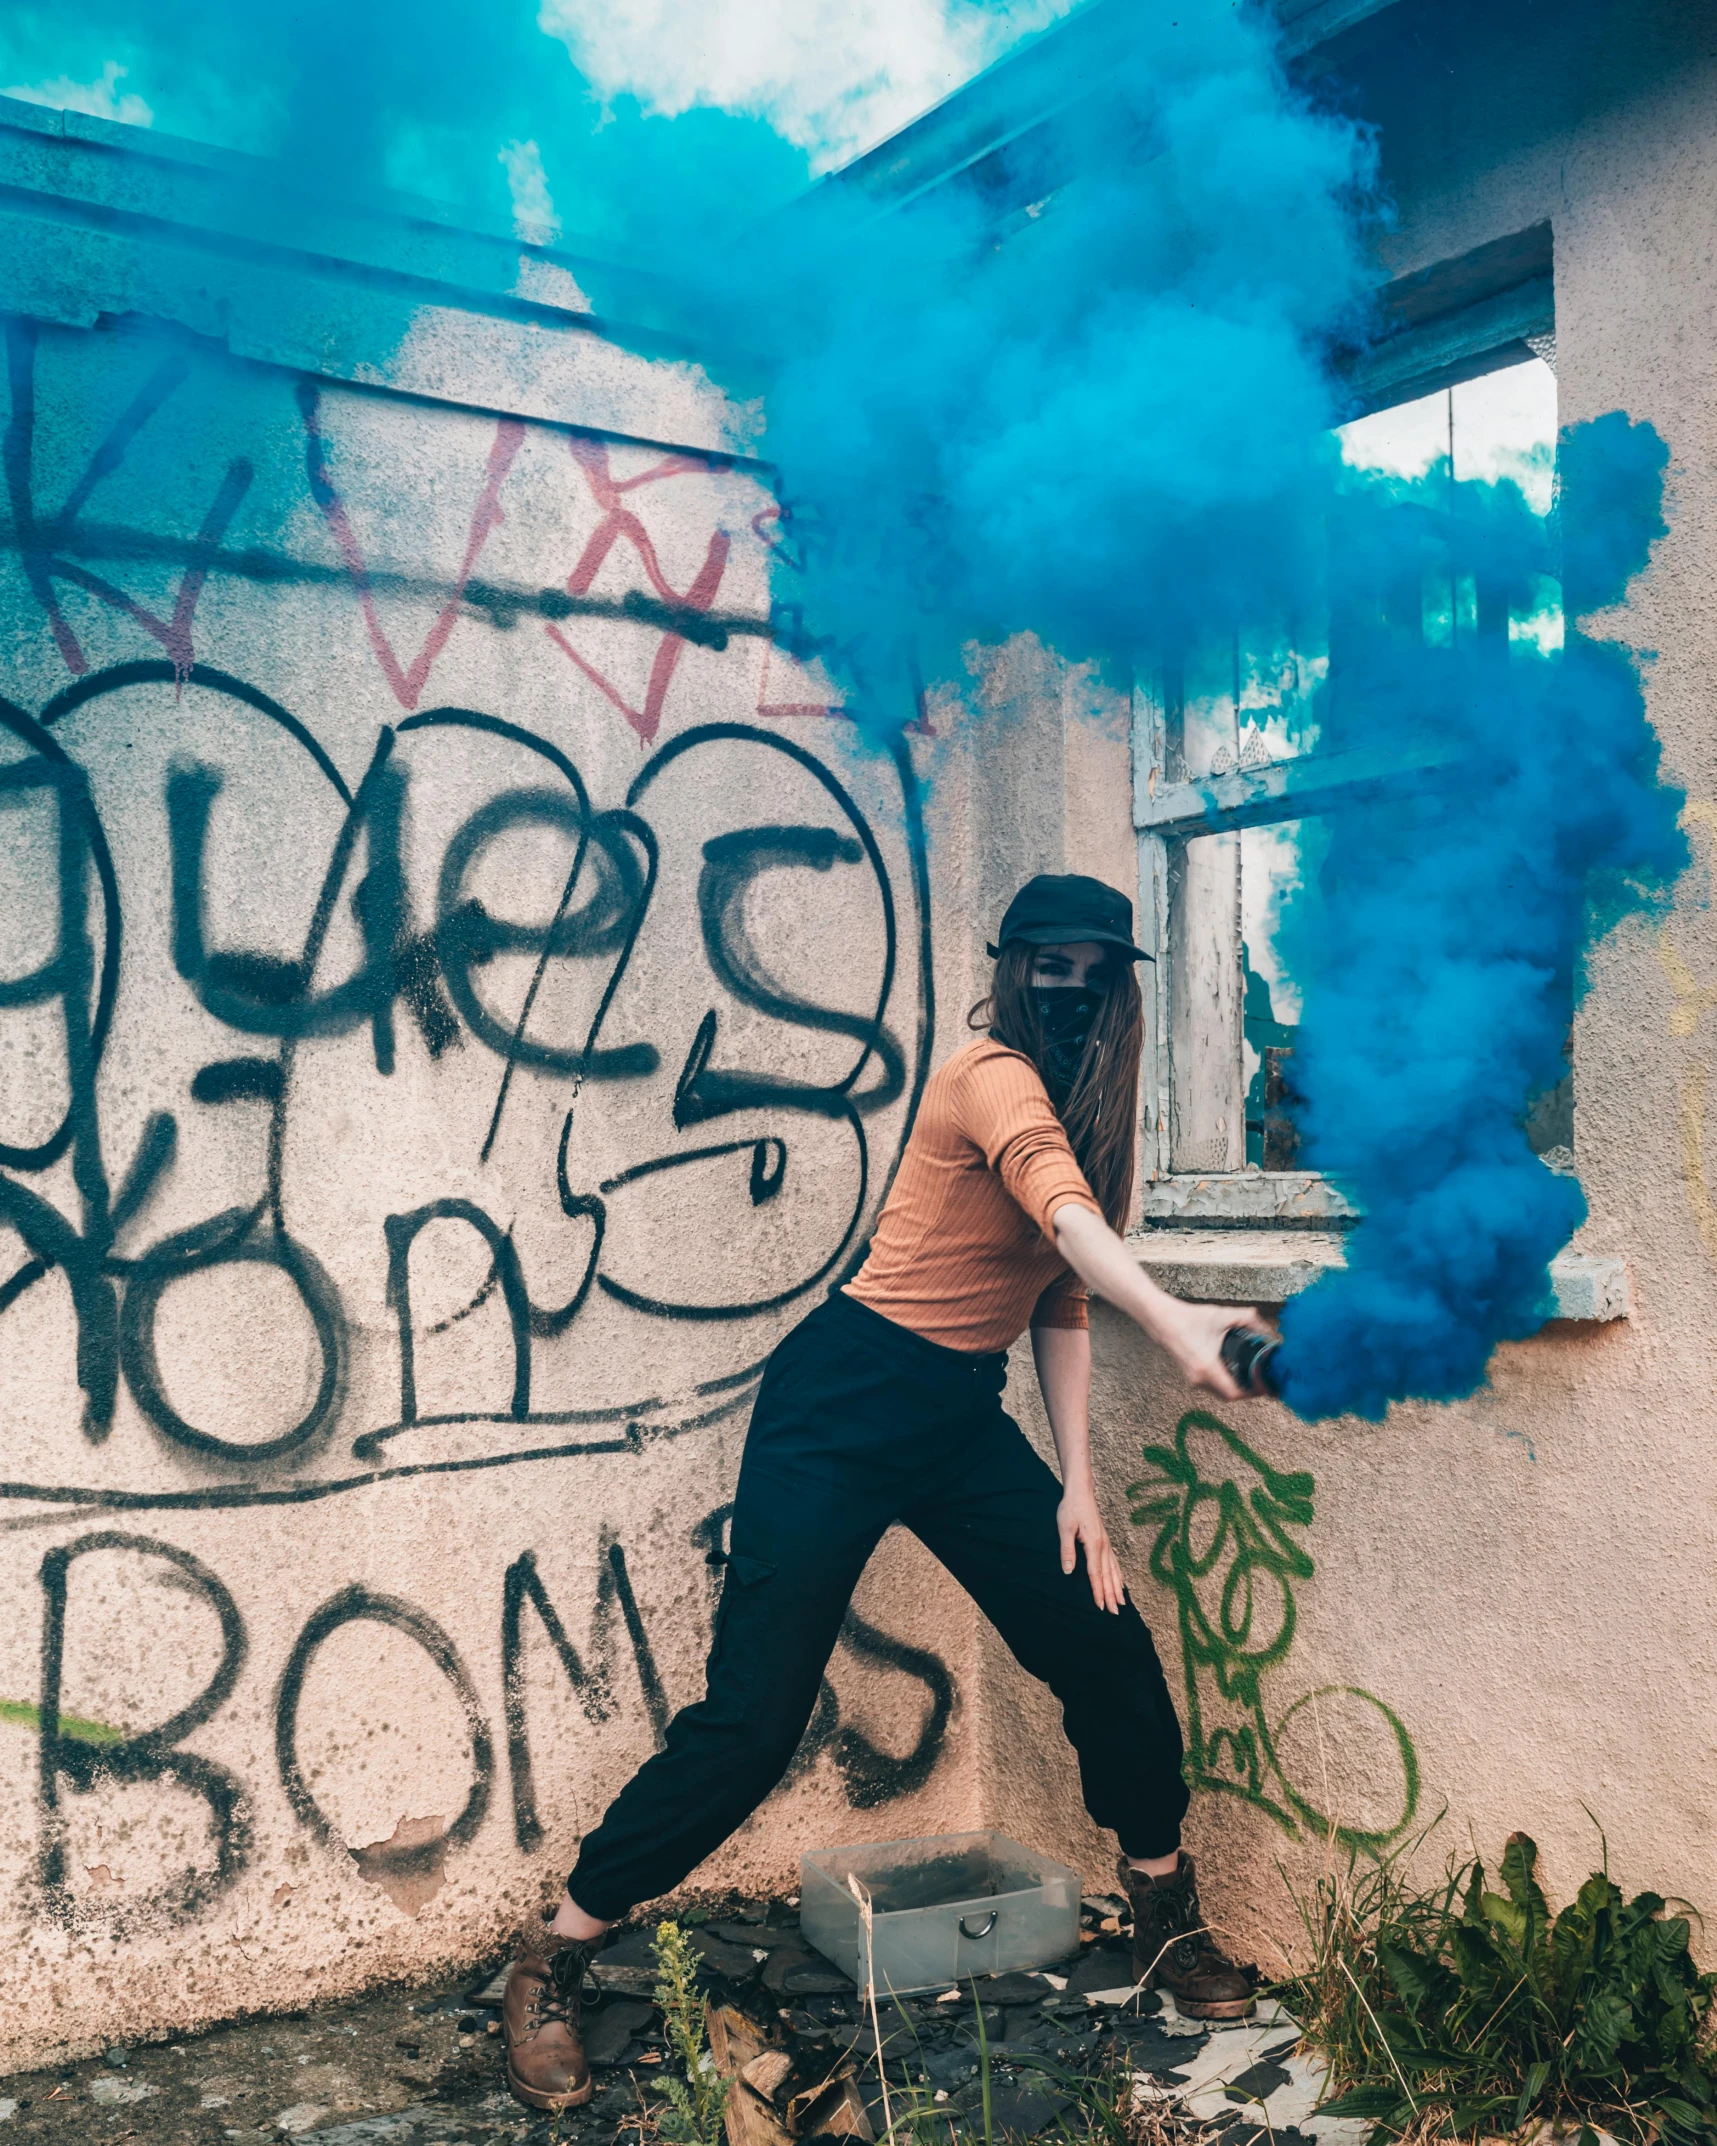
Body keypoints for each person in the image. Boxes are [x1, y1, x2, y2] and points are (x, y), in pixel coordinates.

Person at [503, 872, 1268, 2112]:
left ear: (1120, 984)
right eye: (1048, 964)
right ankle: (560, 1946)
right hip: (841, 1404)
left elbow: (1056, 1295)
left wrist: (1078, 1484)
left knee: (1103, 1644)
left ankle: (1165, 1914)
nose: (1071, 988)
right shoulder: (990, 1074)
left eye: (1095, 968)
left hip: (957, 1421)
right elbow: (1067, 1222)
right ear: (1013, 967)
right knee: (753, 1719)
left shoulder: (1096, 1109)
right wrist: (1178, 1322)